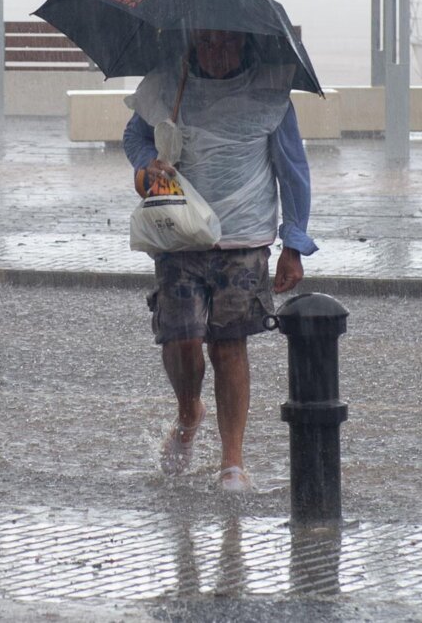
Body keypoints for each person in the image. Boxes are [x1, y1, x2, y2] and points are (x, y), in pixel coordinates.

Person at [122, 27, 316, 493]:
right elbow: (135, 135)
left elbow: (292, 170)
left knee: (229, 345)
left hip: (243, 239)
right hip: (179, 231)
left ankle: (232, 460)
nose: (217, 52)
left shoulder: (269, 94)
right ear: (191, 43)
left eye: (227, 42)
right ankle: (189, 411)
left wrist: (293, 244)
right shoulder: (169, 84)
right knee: (181, 339)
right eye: (206, 42)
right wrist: (149, 163)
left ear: (245, 43)